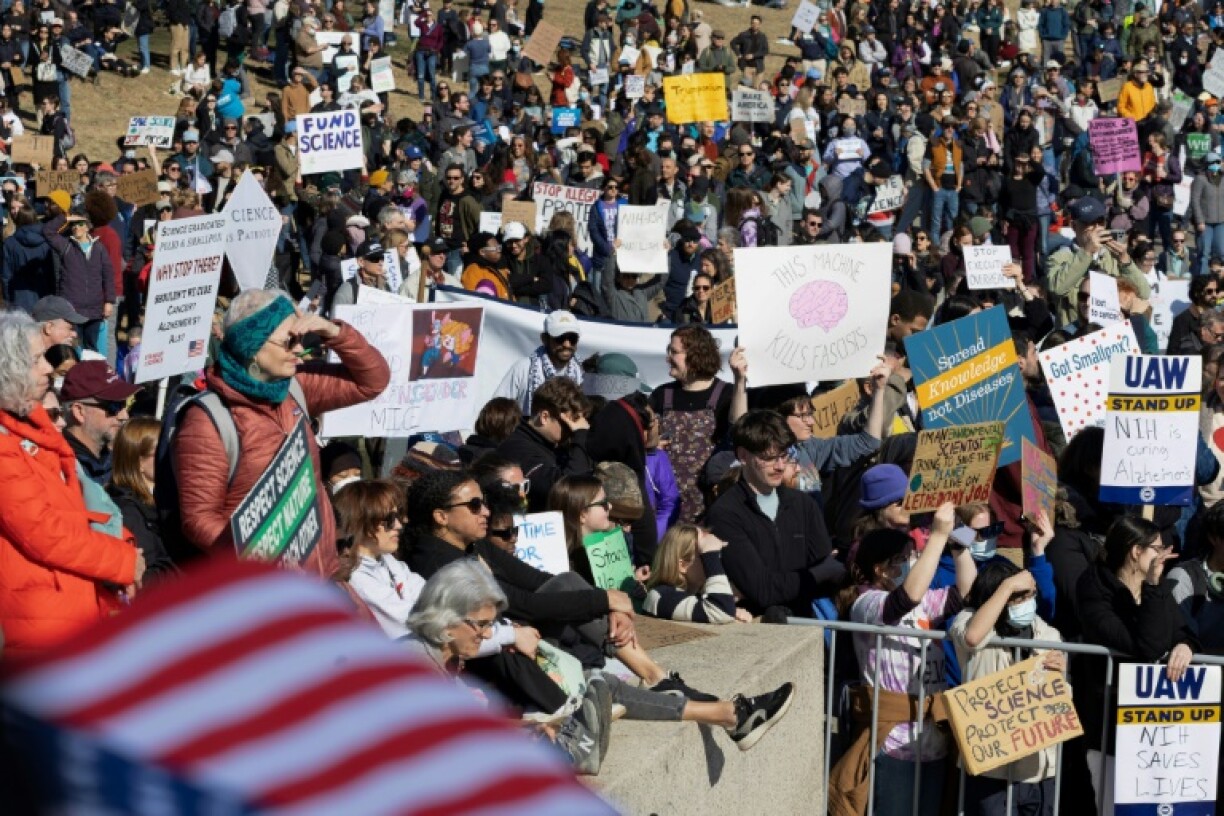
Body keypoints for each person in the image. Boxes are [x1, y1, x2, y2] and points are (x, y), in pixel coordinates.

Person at [171, 290, 390, 578]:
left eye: (301, 340)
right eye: (290, 341)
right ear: (253, 346)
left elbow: (373, 381)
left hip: (321, 572)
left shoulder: (294, 387)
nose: (300, 350)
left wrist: (332, 331)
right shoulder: (207, 420)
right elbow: (199, 520)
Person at [0, 311, 144, 661]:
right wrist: (122, 561)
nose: (49, 369)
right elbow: (47, 532)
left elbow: (75, 506)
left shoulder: (28, 426)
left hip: (68, 602)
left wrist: (121, 541)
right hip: (39, 625)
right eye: (36, 360)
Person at [829, 505, 974, 816]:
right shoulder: (866, 603)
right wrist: (936, 535)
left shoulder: (925, 606)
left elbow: (966, 590)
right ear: (882, 569)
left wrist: (958, 540)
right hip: (894, 742)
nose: (912, 564)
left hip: (932, 740)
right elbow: (904, 599)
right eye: (905, 559)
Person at [1076, 516, 1199, 810]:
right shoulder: (1095, 588)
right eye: (1157, 548)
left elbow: (1183, 631)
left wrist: (1185, 646)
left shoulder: (1154, 588)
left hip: (1155, 730)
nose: (1163, 554)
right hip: (1109, 727)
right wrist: (1154, 586)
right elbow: (1149, 646)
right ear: (1135, 551)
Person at [949, 560, 1065, 814]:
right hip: (991, 766)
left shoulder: (1044, 632)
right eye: (1018, 597)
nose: (1026, 603)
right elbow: (973, 637)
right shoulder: (968, 619)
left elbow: (1059, 693)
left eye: (1030, 595)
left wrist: (1059, 669)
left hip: (1037, 767)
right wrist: (1008, 586)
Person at [706, 411, 846, 618]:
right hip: (758, 632)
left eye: (783, 456)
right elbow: (762, 590)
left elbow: (829, 576)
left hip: (805, 624)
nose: (780, 466)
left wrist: (821, 574)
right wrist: (817, 574)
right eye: (768, 458)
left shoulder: (803, 504)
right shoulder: (725, 513)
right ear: (743, 455)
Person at [649, 326, 748, 523]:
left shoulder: (726, 393)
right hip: (666, 510)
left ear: (696, 355)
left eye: (674, 352)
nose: (668, 357)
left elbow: (740, 425)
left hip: (709, 508)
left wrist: (739, 381)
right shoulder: (662, 395)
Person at [1047, 196, 1150, 327]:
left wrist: (1126, 261)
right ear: (1074, 226)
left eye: (1100, 222)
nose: (1096, 228)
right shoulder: (1060, 257)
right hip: (1076, 335)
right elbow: (1056, 289)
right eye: (1088, 224)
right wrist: (1087, 252)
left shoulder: (1113, 256)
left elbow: (1144, 293)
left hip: (1108, 335)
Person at [496, 376, 594, 512]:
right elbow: (566, 490)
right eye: (567, 425)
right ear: (545, 417)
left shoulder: (552, 445)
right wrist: (581, 435)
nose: (572, 431)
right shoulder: (516, 448)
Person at [107, 415, 178, 585]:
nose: (170, 457)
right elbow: (146, 579)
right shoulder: (127, 512)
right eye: (161, 452)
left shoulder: (162, 497)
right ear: (138, 462)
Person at [644, 524, 750, 623]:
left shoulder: (696, 595)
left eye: (717, 554)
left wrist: (733, 613)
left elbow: (721, 611)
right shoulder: (660, 596)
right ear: (683, 565)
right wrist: (710, 555)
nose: (715, 561)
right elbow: (721, 610)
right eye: (704, 554)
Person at [60, 360, 138, 486]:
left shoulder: (117, 461)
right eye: (114, 406)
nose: (125, 416)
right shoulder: (61, 470)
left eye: (125, 404)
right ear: (79, 412)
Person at [493, 310, 585, 415]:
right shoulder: (524, 368)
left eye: (573, 339)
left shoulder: (582, 373)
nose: (567, 344)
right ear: (544, 339)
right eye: (560, 338)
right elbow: (498, 411)